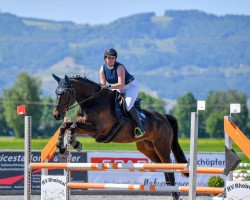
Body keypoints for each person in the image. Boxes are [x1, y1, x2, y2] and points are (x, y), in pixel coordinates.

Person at [99, 48, 145, 138]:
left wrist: (108, 87)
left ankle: (140, 128)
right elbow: (103, 85)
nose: (110, 60)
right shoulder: (102, 68)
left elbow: (121, 84)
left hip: (130, 86)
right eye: (108, 58)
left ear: (115, 59)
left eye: (112, 58)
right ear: (105, 58)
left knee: (127, 105)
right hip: (116, 87)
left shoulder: (120, 67)